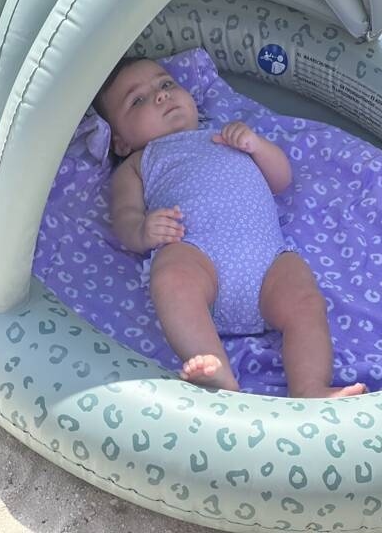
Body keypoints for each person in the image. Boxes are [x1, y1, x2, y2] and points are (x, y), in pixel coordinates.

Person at [94, 56, 366, 397]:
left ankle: (311, 387)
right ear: (120, 141)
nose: (161, 95)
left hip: (267, 261)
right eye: (138, 100)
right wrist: (142, 231)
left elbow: (281, 180)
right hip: (198, 257)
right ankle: (217, 371)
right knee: (170, 277)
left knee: (306, 301)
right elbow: (124, 217)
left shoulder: (224, 135)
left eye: (166, 84)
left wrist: (258, 146)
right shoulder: (138, 163)